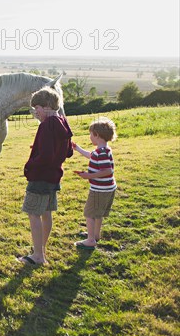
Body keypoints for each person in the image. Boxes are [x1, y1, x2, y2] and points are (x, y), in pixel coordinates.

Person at [18, 87, 73, 265]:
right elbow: (69, 151)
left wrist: (30, 165)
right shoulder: (62, 122)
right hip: (53, 176)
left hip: (40, 177)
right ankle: (40, 249)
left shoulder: (47, 125)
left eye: (37, 109)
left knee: (33, 214)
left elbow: (46, 156)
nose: (35, 113)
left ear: (47, 106)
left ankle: (38, 256)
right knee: (46, 213)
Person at [72, 117, 118, 250]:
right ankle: (95, 235)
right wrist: (78, 149)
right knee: (98, 214)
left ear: (97, 135)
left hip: (100, 190)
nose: (90, 137)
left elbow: (107, 170)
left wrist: (88, 176)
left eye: (91, 134)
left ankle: (90, 240)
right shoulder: (103, 150)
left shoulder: (101, 152)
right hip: (107, 188)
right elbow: (92, 156)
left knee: (89, 213)